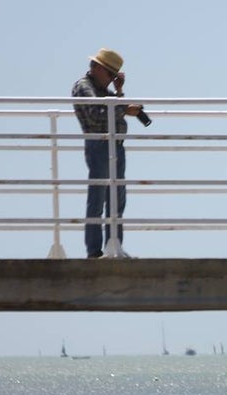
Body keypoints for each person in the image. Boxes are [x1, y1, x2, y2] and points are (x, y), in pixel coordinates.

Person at [72, 48, 145, 259]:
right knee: (97, 198)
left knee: (116, 200)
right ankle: (94, 252)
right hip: (99, 146)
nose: (112, 79)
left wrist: (119, 92)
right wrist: (123, 108)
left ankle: (114, 246)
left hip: (115, 146)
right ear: (97, 68)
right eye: (111, 75)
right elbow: (97, 113)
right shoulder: (84, 87)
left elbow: (115, 107)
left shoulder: (103, 91)